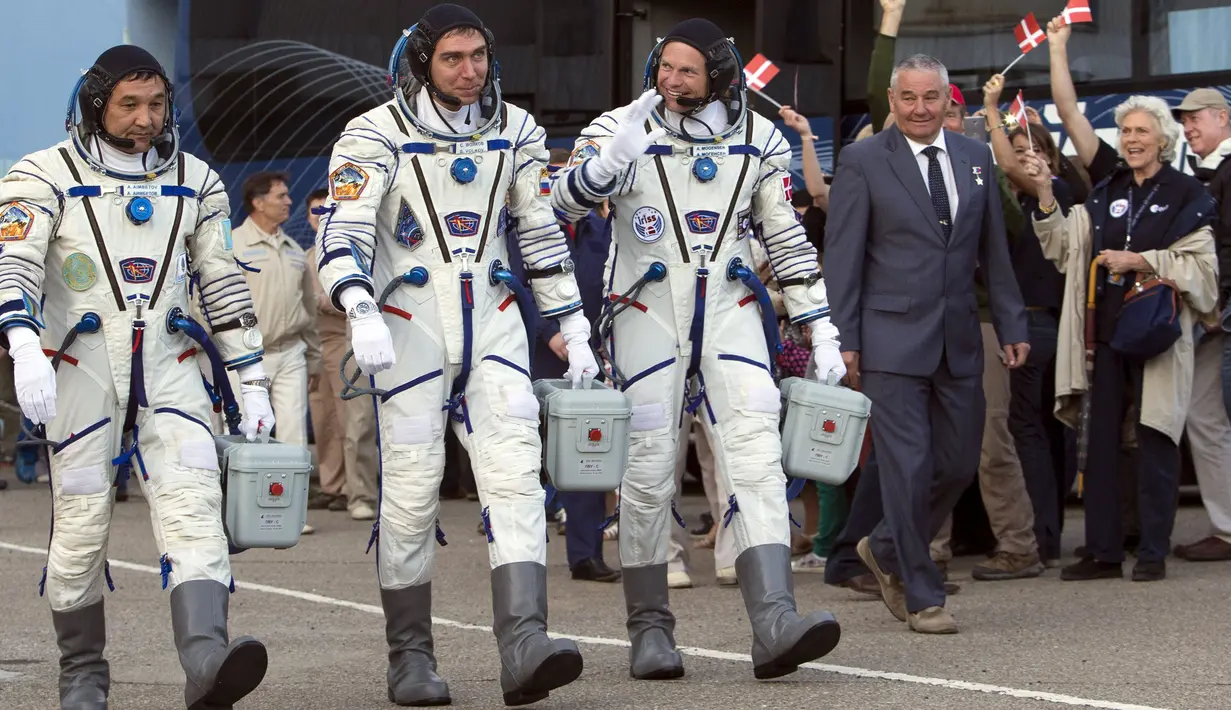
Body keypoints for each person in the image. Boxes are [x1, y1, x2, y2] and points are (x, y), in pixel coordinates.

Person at [314, 5, 595, 706]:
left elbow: (538, 232)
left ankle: (525, 643)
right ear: (419, 64)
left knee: (516, 478)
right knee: (410, 494)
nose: (469, 71)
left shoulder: (518, 131)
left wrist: (571, 323)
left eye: (477, 57)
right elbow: (341, 231)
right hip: (406, 330)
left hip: (495, 325)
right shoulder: (372, 135)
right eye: (451, 59)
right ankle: (409, 659)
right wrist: (357, 303)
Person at [552, 18, 844, 680]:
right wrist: (604, 164)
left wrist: (818, 325)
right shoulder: (621, 126)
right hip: (645, 314)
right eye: (665, 67)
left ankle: (773, 620)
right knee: (648, 468)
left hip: (732, 312)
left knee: (755, 456)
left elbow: (786, 238)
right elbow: (558, 207)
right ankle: (650, 628)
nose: (671, 80)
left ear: (717, 75)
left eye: (687, 70)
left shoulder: (758, 137)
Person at [0, 45, 274, 709]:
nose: (145, 119)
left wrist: (252, 377)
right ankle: (83, 677)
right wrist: (23, 345)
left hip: (172, 371)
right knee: (82, 525)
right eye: (129, 105)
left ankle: (207, 659)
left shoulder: (198, 182)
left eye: (155, 104)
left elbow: (223, 282)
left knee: (194, 509)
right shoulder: (42, 175)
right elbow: (18, 262)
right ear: (97, 105)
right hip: (79, 374)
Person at [823, 54, 1028, 634]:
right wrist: (844, 338)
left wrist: (1011, 323)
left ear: (947, 100)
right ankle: (921, 592)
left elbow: (994, 252)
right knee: (908, 467)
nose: (920, 109)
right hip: (888, 340)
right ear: (893, 100)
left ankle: (886, 544)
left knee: (960, 462)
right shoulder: (862, 160)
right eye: (908, 98)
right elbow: (842, 257)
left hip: (960, 336)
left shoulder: (976, 157)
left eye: (930, 98)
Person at [1041, 15, 1219, 581]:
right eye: (1128, 133)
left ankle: (1151, 552)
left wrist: (1143, 261)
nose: (1134, 140)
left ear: (1163, 139)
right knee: (1100, 439)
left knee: (1157, 435)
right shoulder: (1108, 190)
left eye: (1144, 131)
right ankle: (1103, 550)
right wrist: (1045, 195)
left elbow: (1205, 274)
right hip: (1108, 331)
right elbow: (1066, 245)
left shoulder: (1187, 194)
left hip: (1160, 331)